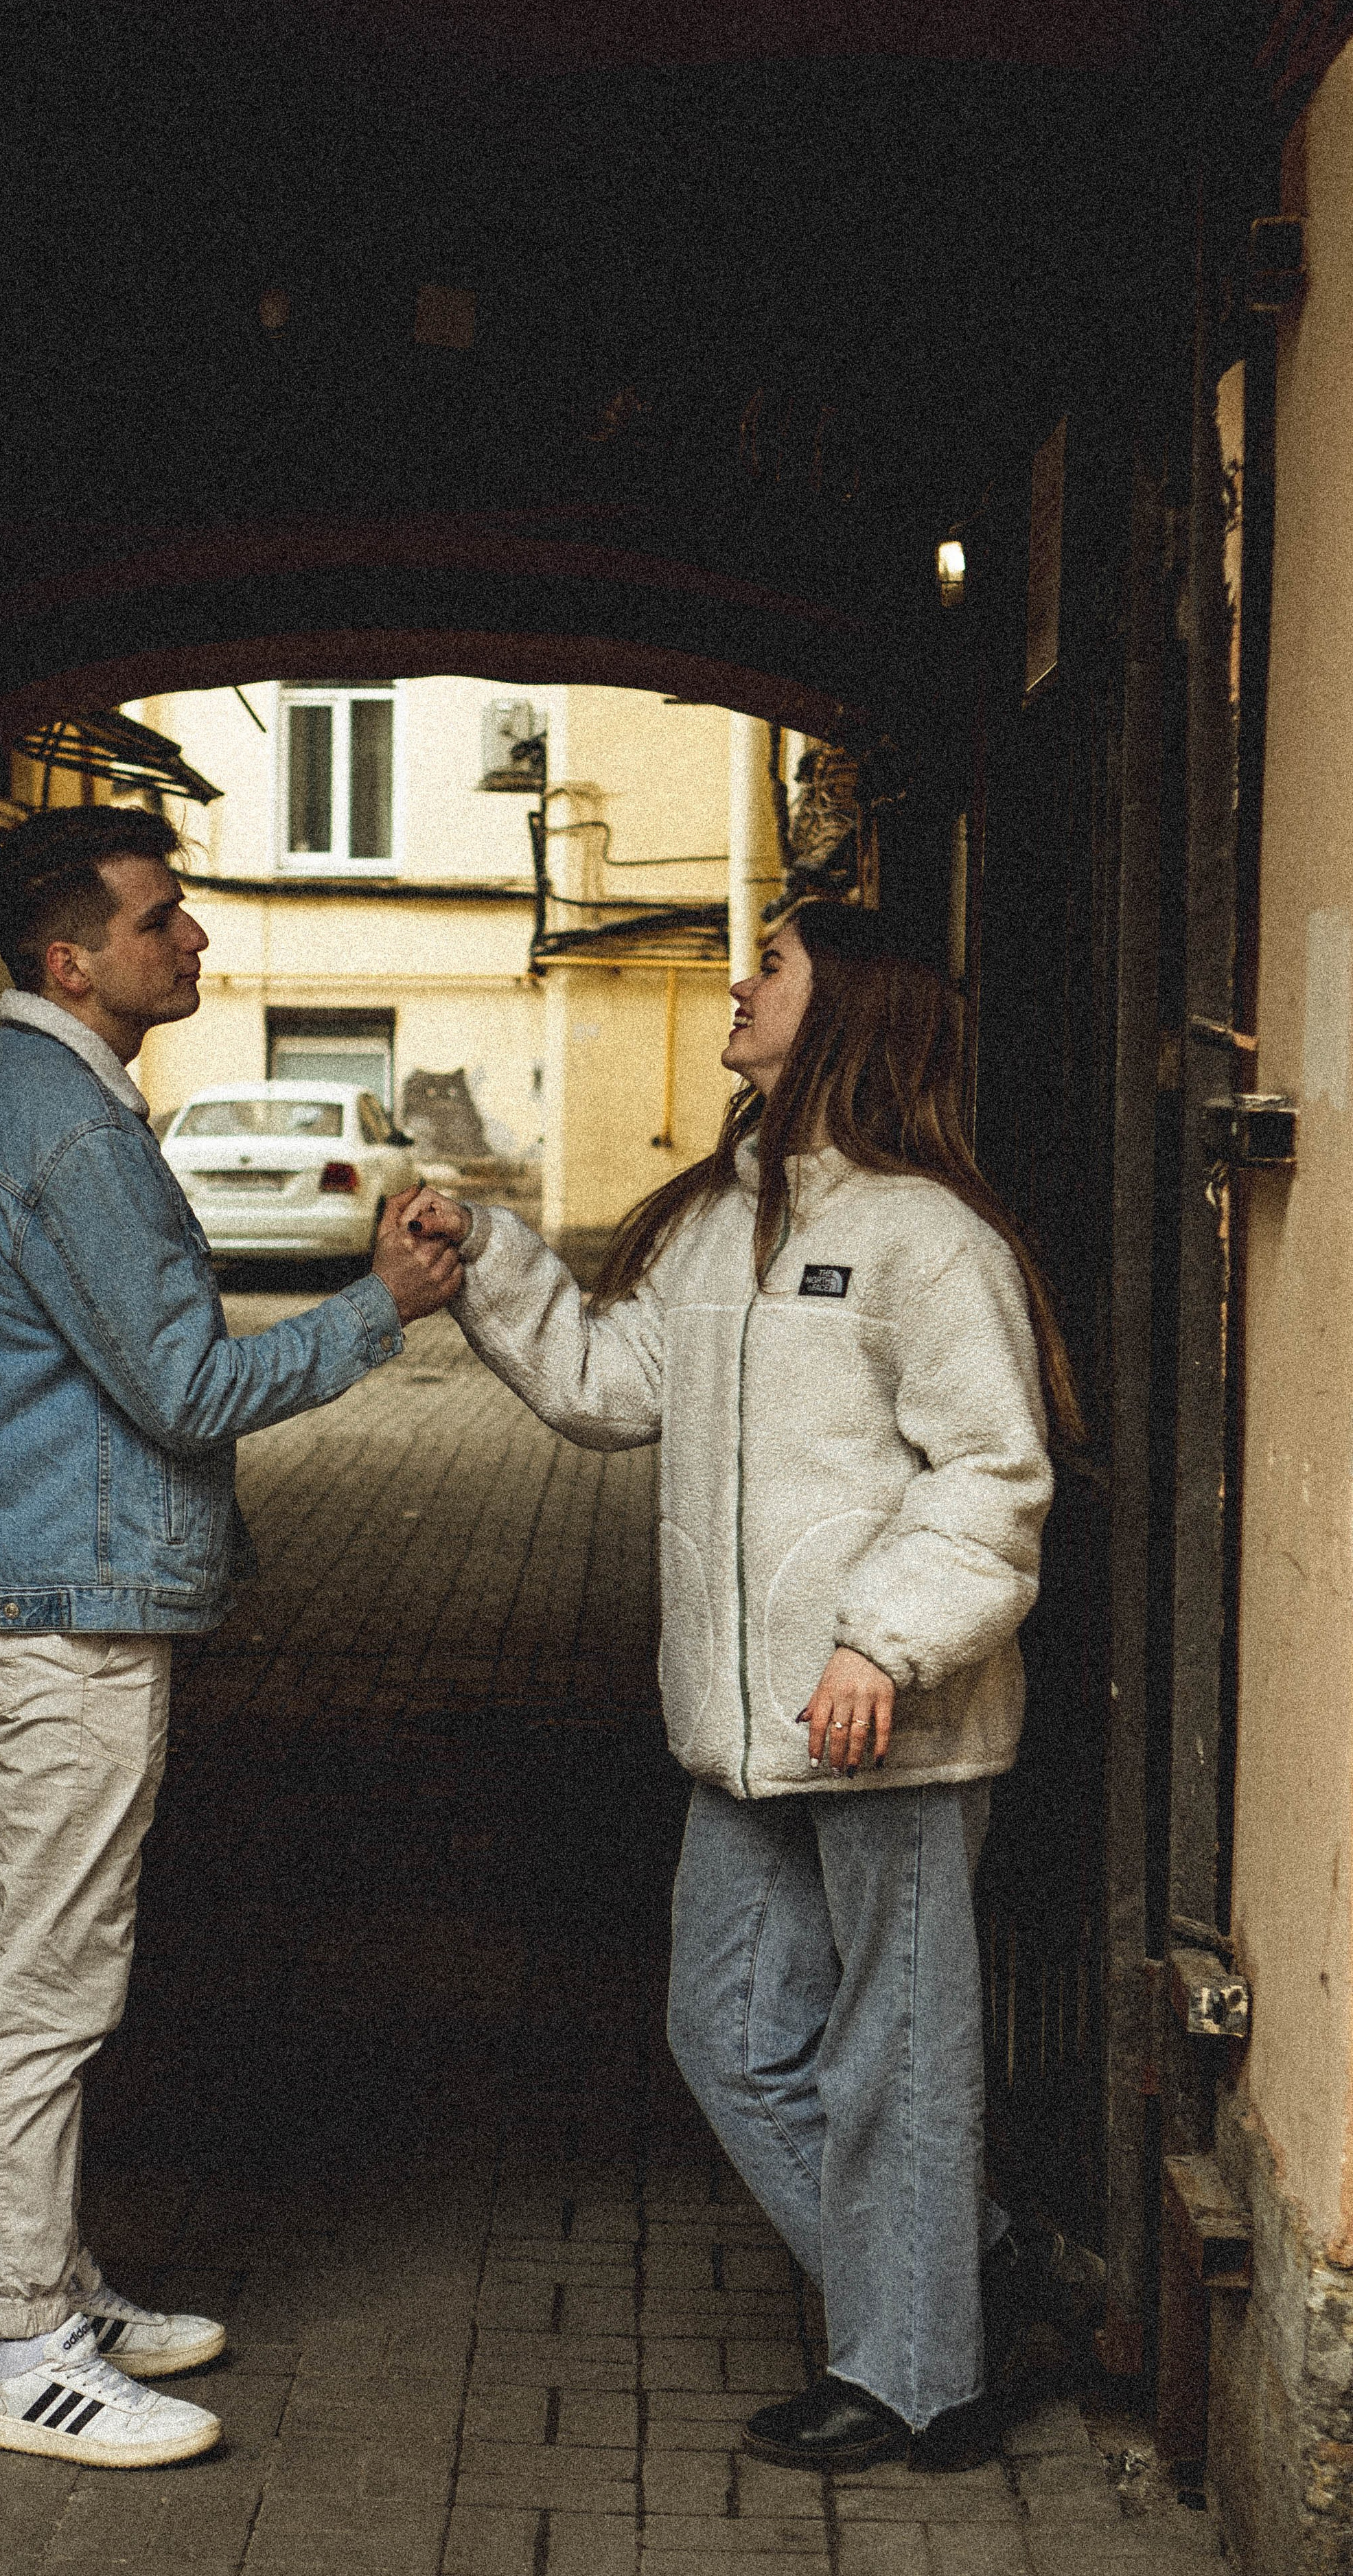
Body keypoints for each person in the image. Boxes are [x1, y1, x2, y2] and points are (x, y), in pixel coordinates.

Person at [404, 897, 1078, 2472]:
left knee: (889, 2058)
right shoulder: (724, 1220)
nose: (737, 983)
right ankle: (965, 2273)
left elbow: (992, 1475)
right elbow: (600, 1385)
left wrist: (881, 1641)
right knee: (726, 2035)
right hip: (743, 1731)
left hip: (884, 1727)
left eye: (769, 964)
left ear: (848, 1003)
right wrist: (488, 1254)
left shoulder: (927, 1237)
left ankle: (923, 2381)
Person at [0, 803, 461, 2469]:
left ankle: (56, 2287)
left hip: (56, 1592)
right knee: (47, 1987)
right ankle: (22, 2351)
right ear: (73, 960)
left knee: (60, 1963)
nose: (197, 938)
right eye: (164, 920)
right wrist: (383, 1307)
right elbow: (187, 1388)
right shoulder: (65, 1131)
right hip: (65, 1613)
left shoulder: (34, 1100)